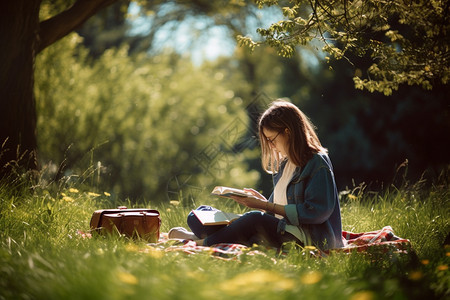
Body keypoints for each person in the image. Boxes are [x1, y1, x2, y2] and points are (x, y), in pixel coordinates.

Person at [168, 100, 344, 251]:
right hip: (282, 229)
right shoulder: (285, 164)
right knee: (200, 214)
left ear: (288, 131)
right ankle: (203, 235)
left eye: (272, 139)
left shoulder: (317, 162)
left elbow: (316, 213)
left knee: (252, 219)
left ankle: (199, 242)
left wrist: (265, 206)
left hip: (307, 238)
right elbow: (278, 208)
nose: (271, 145)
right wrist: (261, 202)